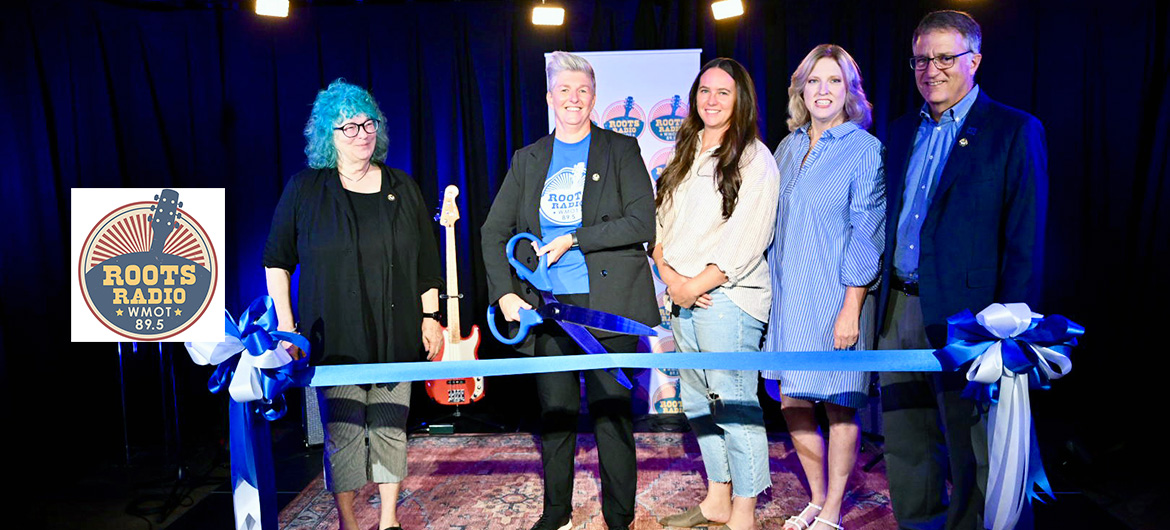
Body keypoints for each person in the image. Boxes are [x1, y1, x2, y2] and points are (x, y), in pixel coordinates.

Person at [877, 10, 1048, 530]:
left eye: (946, 57)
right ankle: (919, 524)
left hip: (973, 318)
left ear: (974, 60)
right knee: (906, 440)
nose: (932, 69)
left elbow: (1025, 238)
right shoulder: (902, 130)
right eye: (922, 59)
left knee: (974, 444)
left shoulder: (1014, 130)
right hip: (899, 307)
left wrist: (1011, 325)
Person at [480, 51, 659, 530]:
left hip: (607, 308)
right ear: (549, 98)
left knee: (611, 416)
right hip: (548, 310)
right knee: (556, 415)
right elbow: (492, 232)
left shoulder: (620, 151)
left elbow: (643, 222)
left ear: (594, 96)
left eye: (582, 90)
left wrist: (575, 237)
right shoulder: (528, 159)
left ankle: (619, 518)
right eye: (564, 90)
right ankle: (556, 512)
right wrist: (504, 293)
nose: (573, 99)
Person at [263, 79, 443, 530]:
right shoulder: (305, 189)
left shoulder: (403, 187)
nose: (361, 133)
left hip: (395, 332)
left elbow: (426, 263)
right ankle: (348, 521)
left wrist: (431, 316)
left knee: (389, 430)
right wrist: (288, 329)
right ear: (328, 134)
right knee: (342, 435)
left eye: (368, 123)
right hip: (332, 335)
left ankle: (387, 521)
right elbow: (276, 262)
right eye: (347, 126)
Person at [653, 57, 780, 530]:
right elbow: (659, 223)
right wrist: (671, 278)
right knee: (700, 403)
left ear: (740, 99)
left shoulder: (753, 157)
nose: (711, 100)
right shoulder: (683, 150)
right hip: (681, 295)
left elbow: (747, 239)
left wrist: (695, 284)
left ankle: (744, 512)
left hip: (727, 298)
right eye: (704, 91)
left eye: (723, 92)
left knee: (734, 402)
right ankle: (717, 501)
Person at [762, 44, 885, 530]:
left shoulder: (863, 149)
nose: (823, 91)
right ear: (801, 89)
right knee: (791, 399)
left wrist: (851, 307)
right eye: (814, 81)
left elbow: (867, 232)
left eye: (834, 81)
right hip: (787, 298)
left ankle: (833, 510)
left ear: (849, 91)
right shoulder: (788, 146)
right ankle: (817, 497)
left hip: (836, 297)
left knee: (838, 405)